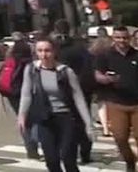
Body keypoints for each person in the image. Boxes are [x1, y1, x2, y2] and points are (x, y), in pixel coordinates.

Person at [18, 38, 94, 172]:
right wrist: (21, 116)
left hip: (66, 118)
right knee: (51, 160)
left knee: (67, 157)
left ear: (54, 52)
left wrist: (88, 123)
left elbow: (78, 98)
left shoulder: (65, 71)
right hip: (44, 118)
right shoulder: (31, 70)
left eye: (47, 51)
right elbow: (26, 94)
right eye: (40, 51)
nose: (44, 55)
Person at [93, 26, 138, 172]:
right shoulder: (105, 55)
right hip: (116, 102)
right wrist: (105, 79)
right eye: (118, 37)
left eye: (125, 38)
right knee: (120, 137)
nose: (122, 41)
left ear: (129, 39)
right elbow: (97, 74)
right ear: (113, 38)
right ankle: (130, 161)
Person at [52, 20, 96, 165]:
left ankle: (70, 152)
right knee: (83, 121)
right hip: (81, 89)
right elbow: (88, 67)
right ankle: (84, 153)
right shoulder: (79, 46)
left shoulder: (53, 47)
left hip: (61, 90)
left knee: (64, 122)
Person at [1, 40, 39, 159]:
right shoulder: (30, 63)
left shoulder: (9, 61)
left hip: (12, 94)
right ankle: (34, 142)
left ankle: (30, 149)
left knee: (23, 120)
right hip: (28, 94)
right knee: (35, 120)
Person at [91, 29, 115, 138]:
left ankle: (105, 128)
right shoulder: (111, 44)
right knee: (112, 101)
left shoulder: (94, 46)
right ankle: (112, 124)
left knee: (102, 103)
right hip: (111, 74)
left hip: (98, 75)